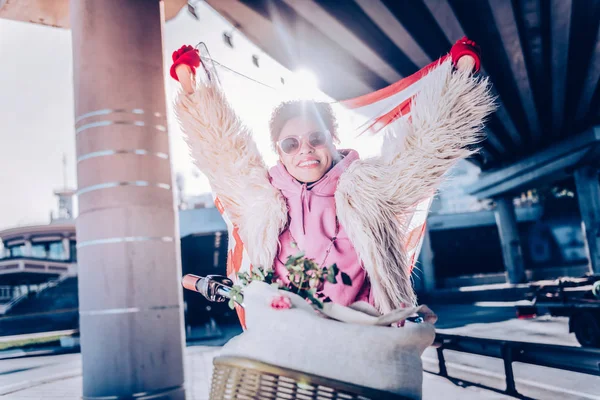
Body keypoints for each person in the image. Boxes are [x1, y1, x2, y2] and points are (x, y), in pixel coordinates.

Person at [172, 38, 494, 313]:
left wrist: (458, 80)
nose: (305, 150)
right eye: (291, 143)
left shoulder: (366, 187)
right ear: (278, 150)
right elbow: (226, 152)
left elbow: (420, 153)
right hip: (289, 342)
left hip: (364, 338)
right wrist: (194, 88)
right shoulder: (263, 197)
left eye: (316, 138)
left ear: (332, 140)